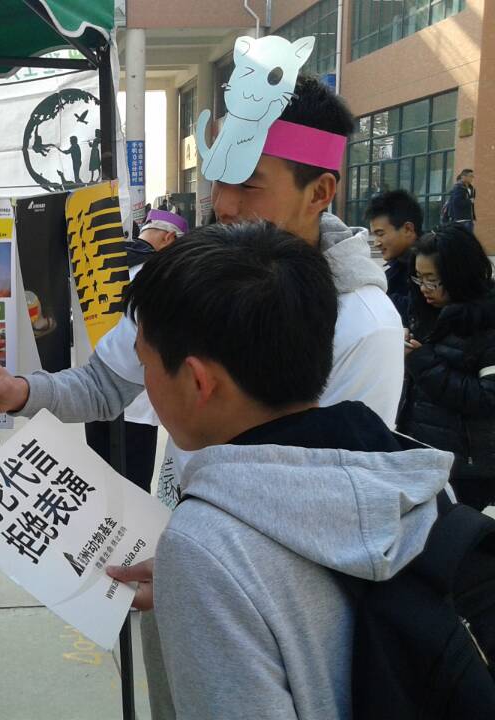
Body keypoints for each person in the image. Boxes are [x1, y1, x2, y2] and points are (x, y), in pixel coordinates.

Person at [0, 74, 404, 719]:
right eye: (218, 180)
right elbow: (104, 382)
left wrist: (208, 562)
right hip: (183, 550)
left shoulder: (365, 326)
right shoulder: (189, 280)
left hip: (275, 598)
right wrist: (19, 391)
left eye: (249, 183)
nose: (225, 204)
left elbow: (343, 506)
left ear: (320, 192)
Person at [129, 221, 450, 720]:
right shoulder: (411, 475)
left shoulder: (205, 544)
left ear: (197, 381)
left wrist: (203, 577)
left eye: (145, 363)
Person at [85, 208, 189, 493]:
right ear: (169, 238)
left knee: (98, 485)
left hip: (92, 391)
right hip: (137, 401)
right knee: (133, 490)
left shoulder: (104, 264)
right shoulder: (161, 276)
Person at [397, 225, 495, 511]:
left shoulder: (487, 324)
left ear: (459, 276)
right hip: (423, 455)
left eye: (433, 280)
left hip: (466, 470)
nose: (424, 288)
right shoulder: (426, 314)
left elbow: (488, 398)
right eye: (419, 277)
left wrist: (421, 362)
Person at [366, 190, 423, 320]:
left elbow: (416, 309)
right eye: (374, 235)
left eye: (380, 234)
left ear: (408, 229)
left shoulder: (431, 264)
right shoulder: (397, 265)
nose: (376, 243)